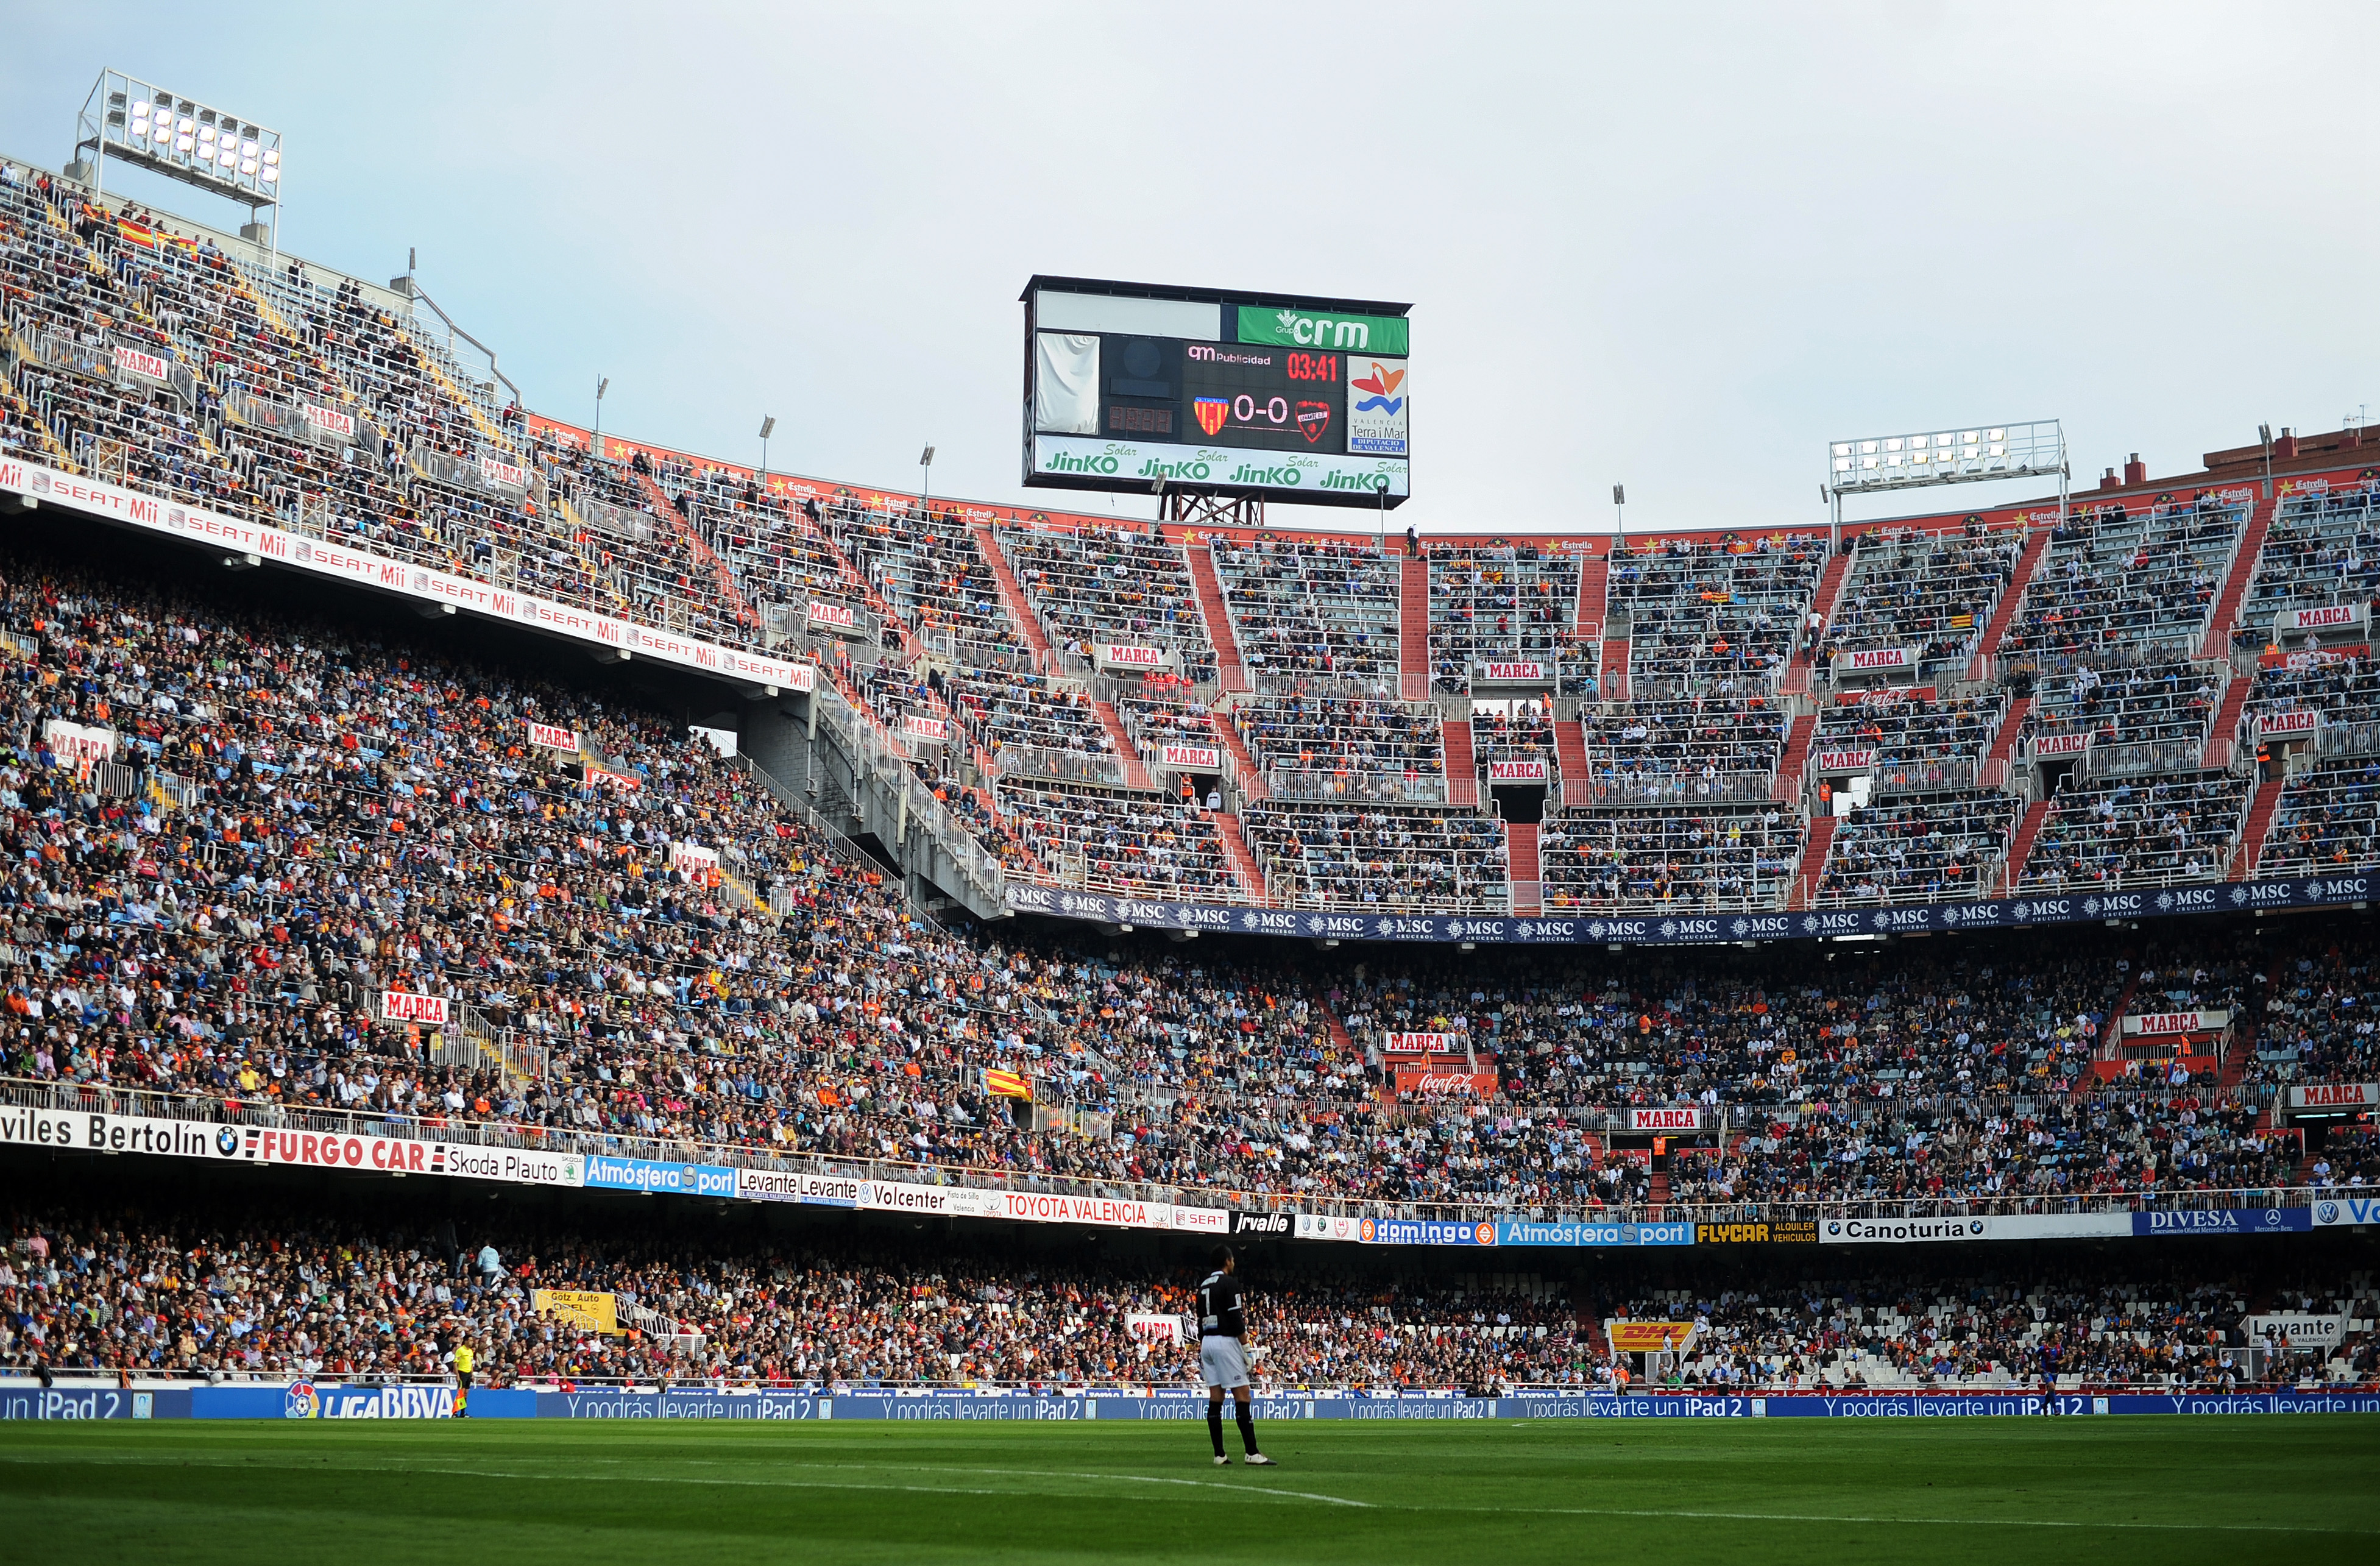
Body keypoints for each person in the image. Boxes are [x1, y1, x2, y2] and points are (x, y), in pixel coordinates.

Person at [1197, 1245, 1274, 1467]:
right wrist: (1246, 1347)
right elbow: (1236, 1317)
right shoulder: (1230, 1283)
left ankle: (1219, 1455)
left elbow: (1200, 1316)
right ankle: (1252, 1453)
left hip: (1207, 1342)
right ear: (1228, 1261)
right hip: (1225, 1341)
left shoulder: (1203, 1285)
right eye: (1232, 1260)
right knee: (1243, 1396)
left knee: (1216, 1397)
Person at [449, 1333, 475, 1417]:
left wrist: (472, 1374)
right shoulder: (460, 1350)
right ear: (466, 1341)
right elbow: (455, 1363)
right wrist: (457, 1375)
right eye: (470, 1340)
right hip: (462, 1373)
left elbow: (471, 1364)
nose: (472, 1342)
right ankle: (455, 1412)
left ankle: (463, 1413)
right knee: (461, 1393)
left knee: (466, 1393)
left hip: (468, 1374)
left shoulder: (470, 1351)